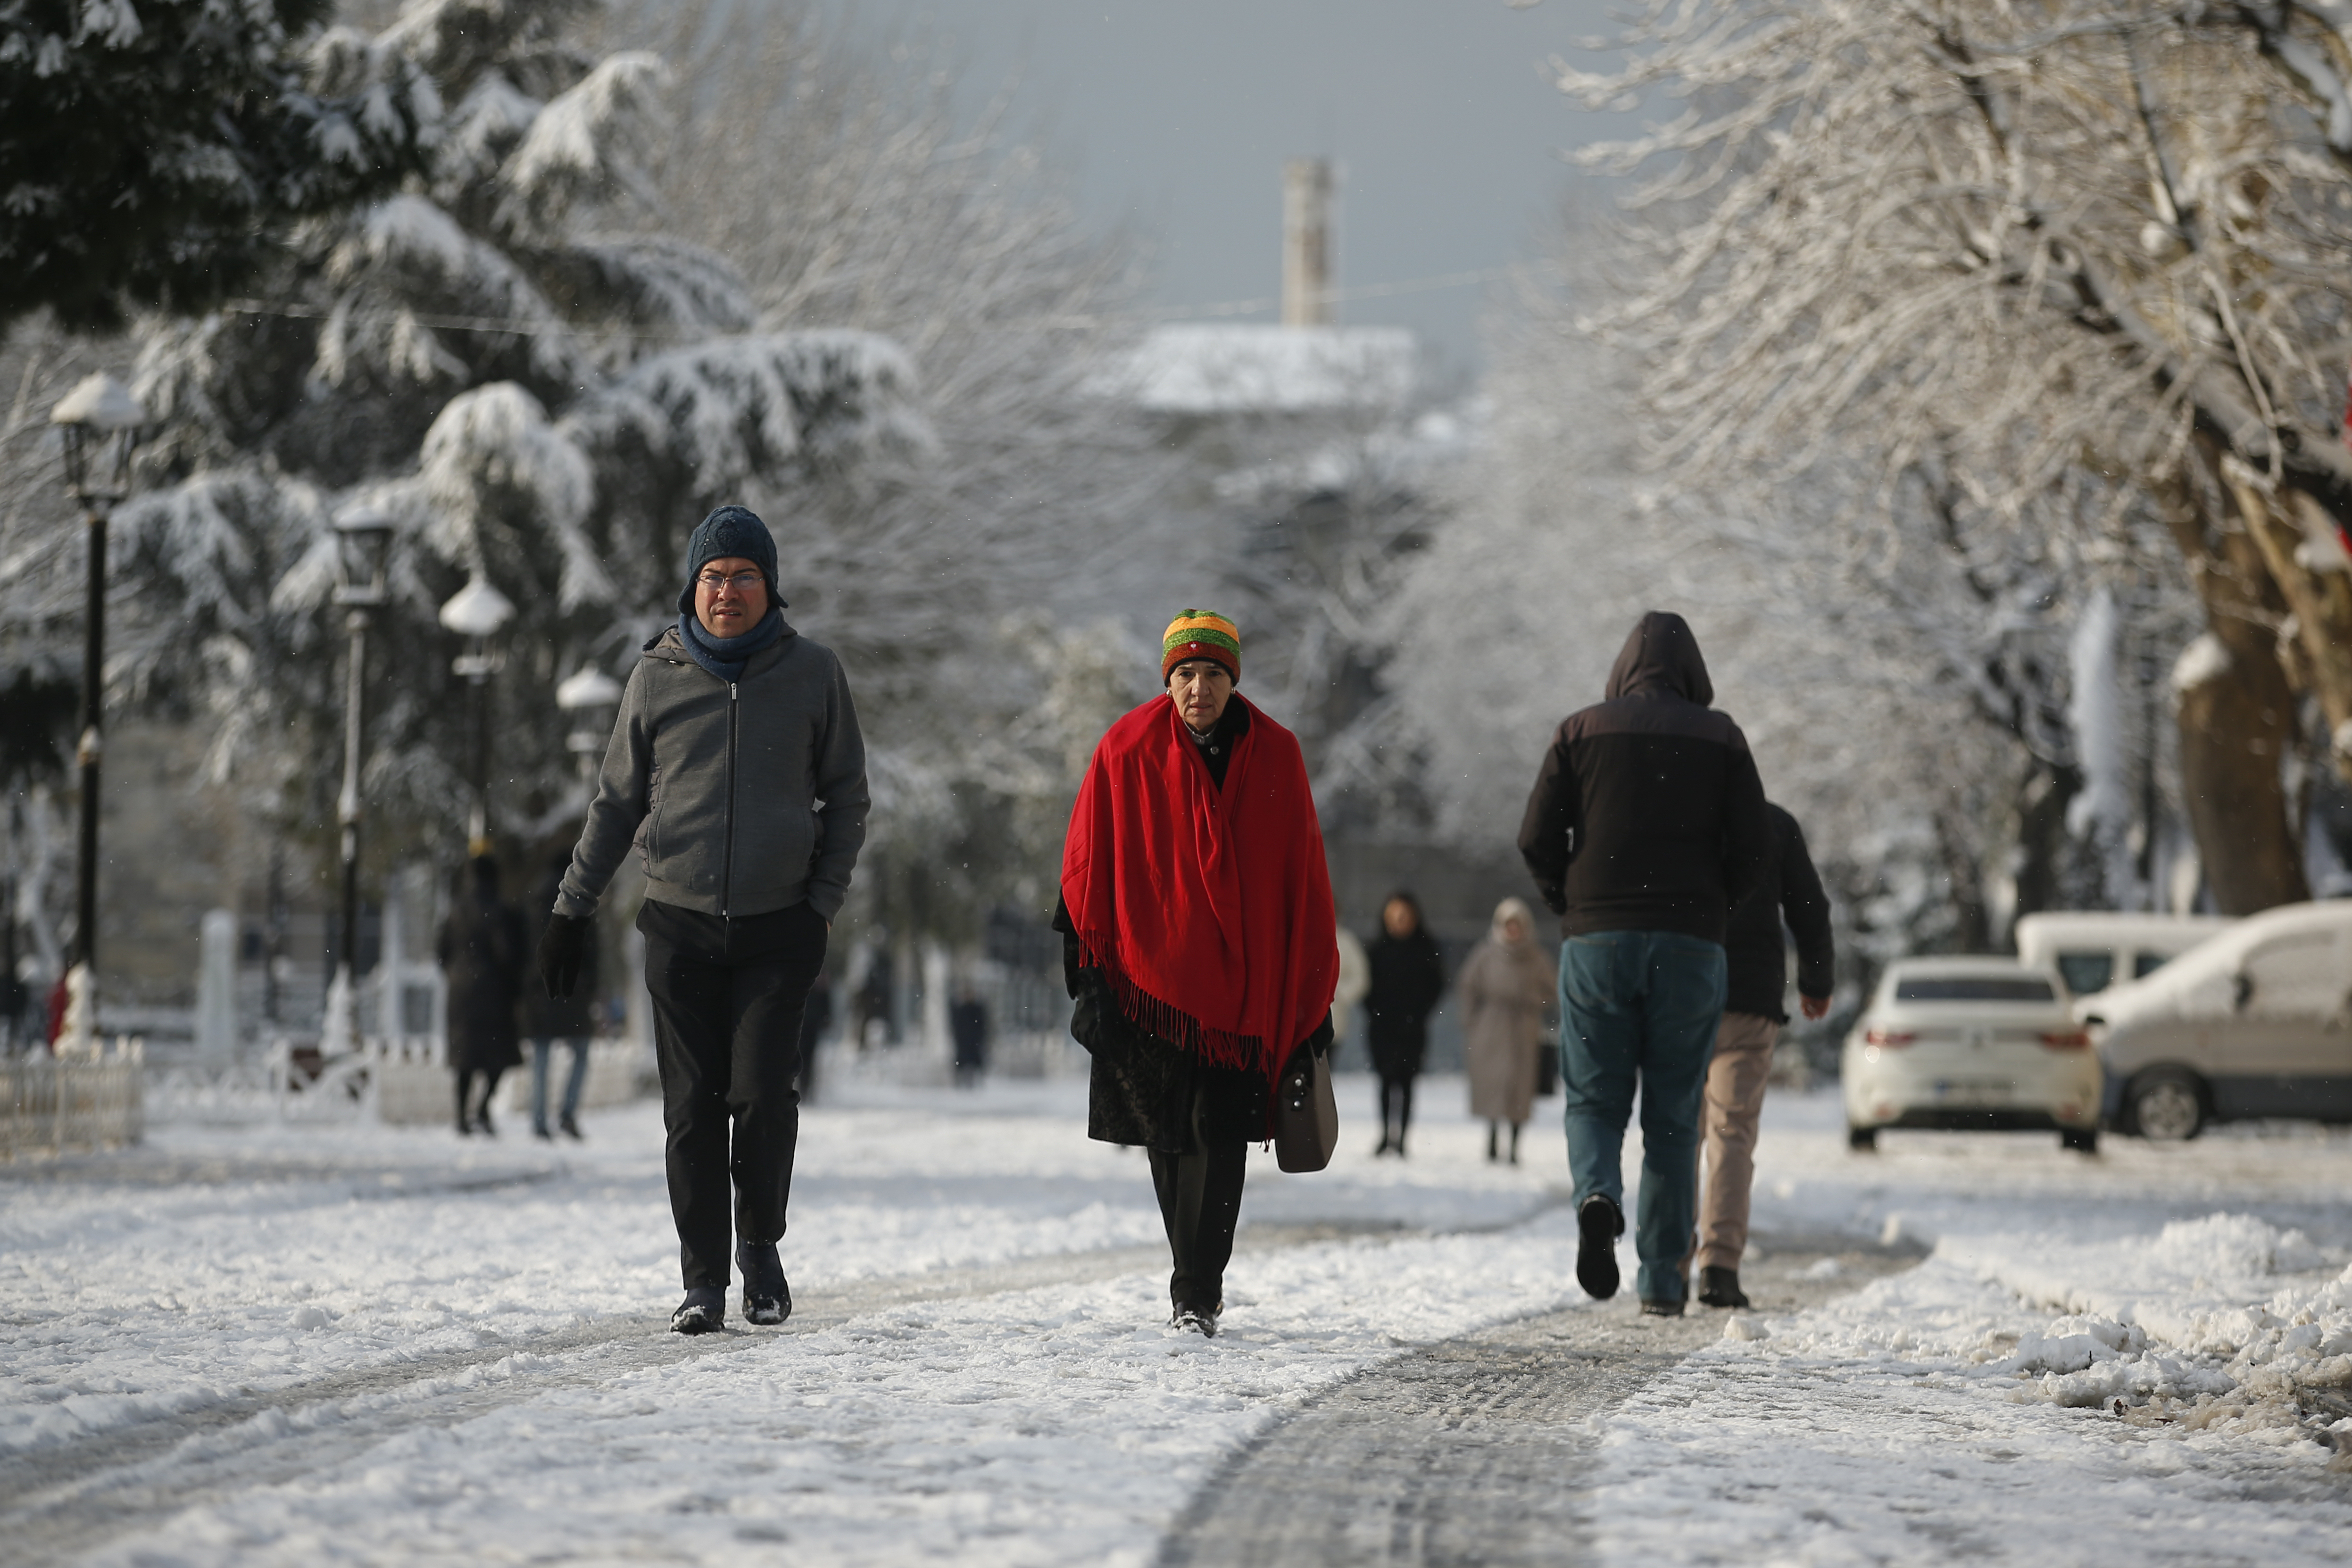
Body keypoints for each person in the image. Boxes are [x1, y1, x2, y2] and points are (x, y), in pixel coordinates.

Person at [536, 503, 869, 1336]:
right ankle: (702, 1283)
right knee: (690, 1109)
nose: (727, 591)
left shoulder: (813, 674)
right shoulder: (656, 677)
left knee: (759, 1096)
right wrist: (571, 910)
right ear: (694, 587)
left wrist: (820, 903)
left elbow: (849, 798)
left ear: (770, 588)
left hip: (777, 926)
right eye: (714, 577)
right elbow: (615, 804)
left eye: (744, 576)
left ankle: (759, 1245)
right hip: (679, 923)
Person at [1055, 609, 1336, 1336]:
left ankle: (1195, 1289)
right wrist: (1088, 971)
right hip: (1145, 986)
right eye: (1184, 673)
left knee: (1220, 1131)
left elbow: (1301, 877)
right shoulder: (1125, 748)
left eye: (1212, 673)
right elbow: (1088, 863)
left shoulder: (1276, 754)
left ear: (1232, 679)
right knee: (1166, 1135)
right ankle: (1194, 1277)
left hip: (1243, 990)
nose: (1197, 687)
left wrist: (1310, 988)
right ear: (1167, 679)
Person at [1518, 611, 1772, 1316]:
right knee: (1671, 1115)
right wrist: (1711, 907)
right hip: (1690, 946)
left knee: (1594, 1100)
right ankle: (1662, 1278)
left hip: (1596, 940)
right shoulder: (1721, 737)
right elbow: (1754, 847)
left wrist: (1570, 901)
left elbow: (1534, 835)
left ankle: (1596, 1193)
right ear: (1692, 674)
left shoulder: (1578, 730)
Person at [1696, 801, 1834, 1309]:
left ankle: (1663, 1268)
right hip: (1749, 998)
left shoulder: (1673, 814)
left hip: (1679, 993)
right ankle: (1719, 1267)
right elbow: (1809, 907)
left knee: (1673, 1132)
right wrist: (1817, 982)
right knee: (1732, 1133)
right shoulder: (1773, 823)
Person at [1459, 896, 1557, 1165]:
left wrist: (1532, 1000)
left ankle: (1514, 1145)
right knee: (1491, 1085)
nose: (1513, 931)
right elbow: (1469, 987)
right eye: (1508, 925)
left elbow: (1552, 992)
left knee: (1519, 1088)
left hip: (1523, 1031)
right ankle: (1491, 1137)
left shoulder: (1537, 958)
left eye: (1518, 925)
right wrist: (1472, 1022)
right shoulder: (1485, 954)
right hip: (1490, 1030)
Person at [440, 854, 524, 1137]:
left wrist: (455, 974)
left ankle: (461, 1116)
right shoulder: (499, 911)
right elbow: (507, 954)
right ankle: (484, 1108)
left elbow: (441, 951)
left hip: (460, 994)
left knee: (464, 1059)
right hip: (493, 995)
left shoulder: (455, 910)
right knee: (497, 1058)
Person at [522, 846, 598, 1141]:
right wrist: (591, 983)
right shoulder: (581, 897)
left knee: (541, 1057)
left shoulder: (532, 901)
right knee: (580, 1052)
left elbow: (526, 948)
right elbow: (592, 949)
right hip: (573, 987)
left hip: (540, 988)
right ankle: (567, 1113)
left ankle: (539, 1120)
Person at [1363, 891, 1443, 1156]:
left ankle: (1403, 1138)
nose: (1400, 921)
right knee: (1385, 1082)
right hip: (1382, 1028)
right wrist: (1376, 1012)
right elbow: (1366, 989)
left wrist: (1418, 1013)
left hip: (1413, 1029)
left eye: (1405, 916)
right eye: (1395, 915)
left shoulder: (1426, 950)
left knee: (1407, 1083)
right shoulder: (1376, 951)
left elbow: (1436, 987)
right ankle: (1386, 1134)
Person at [798, 968, 832, 1104]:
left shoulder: (821, 990)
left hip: (811, 1029)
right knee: (802, 1059)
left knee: (808, 1061)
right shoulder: (812, 988)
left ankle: (806, 1090)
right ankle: (803, 1089)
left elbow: (826, 1009)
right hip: (803, 1028)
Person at [950, 984, 989, 1088]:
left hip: (974, 1040)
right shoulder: (961, 1009)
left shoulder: (977, 1009)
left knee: (974, 1062)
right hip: (964, 1040)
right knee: (962, 1062)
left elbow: (982, 1025)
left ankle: (975, 1081)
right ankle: (961, 1081)